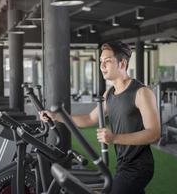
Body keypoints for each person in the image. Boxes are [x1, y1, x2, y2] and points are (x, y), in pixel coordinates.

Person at [40, 40, 161, 194]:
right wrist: (56, 116)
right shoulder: (109, 94)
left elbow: (154, 133)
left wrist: (114, 138)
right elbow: (89, 119)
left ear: (122, 64)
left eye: (108, 61)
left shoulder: (142, 93)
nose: (102, 66)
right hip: (122, 164)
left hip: (139, 167)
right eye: (101, 61)